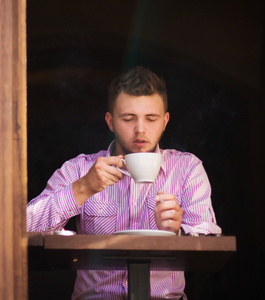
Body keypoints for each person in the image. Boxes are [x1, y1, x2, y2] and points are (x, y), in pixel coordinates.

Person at [26, 66, 221, 300]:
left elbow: (209, 242)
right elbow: (23, 229)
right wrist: (83, 188)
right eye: (128, 118)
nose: (140, 129)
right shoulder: (77, 169)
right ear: (110, 121)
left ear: (165, 121)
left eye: (151, 119)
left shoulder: (188, 168)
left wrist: (177, 233)